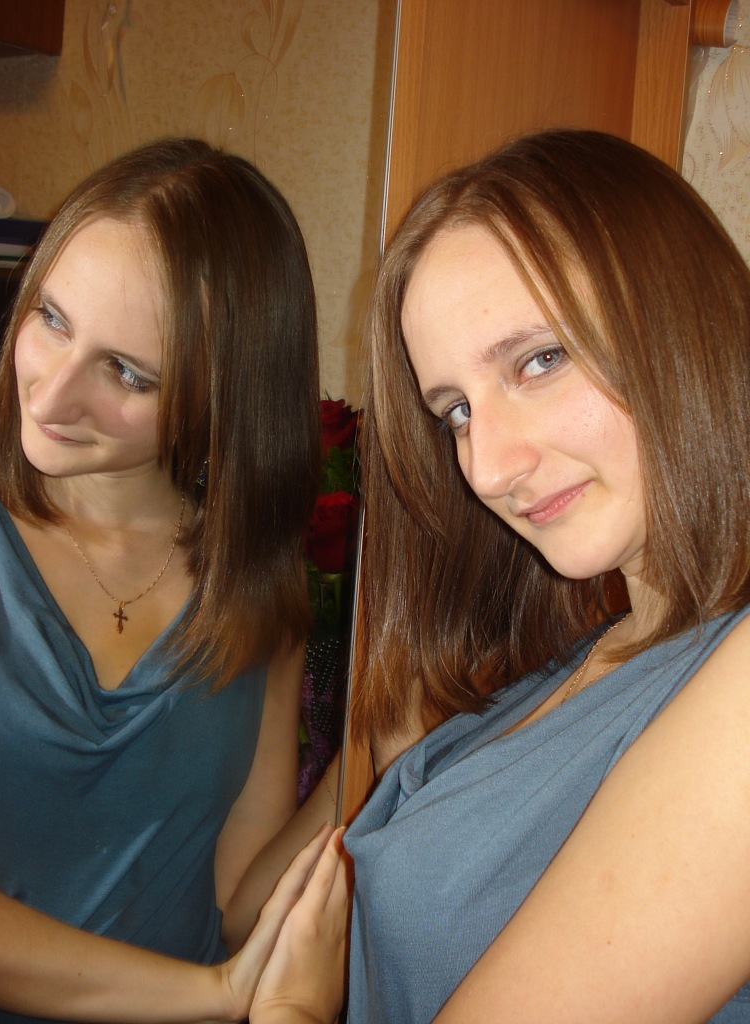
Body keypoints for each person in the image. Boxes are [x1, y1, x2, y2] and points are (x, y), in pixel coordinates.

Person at [250, 129, 750, 1023]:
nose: (485, 468)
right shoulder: (596, 654)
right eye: (455, 411)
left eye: (539, 360)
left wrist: (290, 1007)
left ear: (681, 320)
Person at [0, 136, 339, 1023]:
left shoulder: (256, 588)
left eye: (127, 372)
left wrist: (383, 747)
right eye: (52, 318)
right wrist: (213, 997)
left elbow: (237, 898)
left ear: (225, 398)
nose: (50, 395)